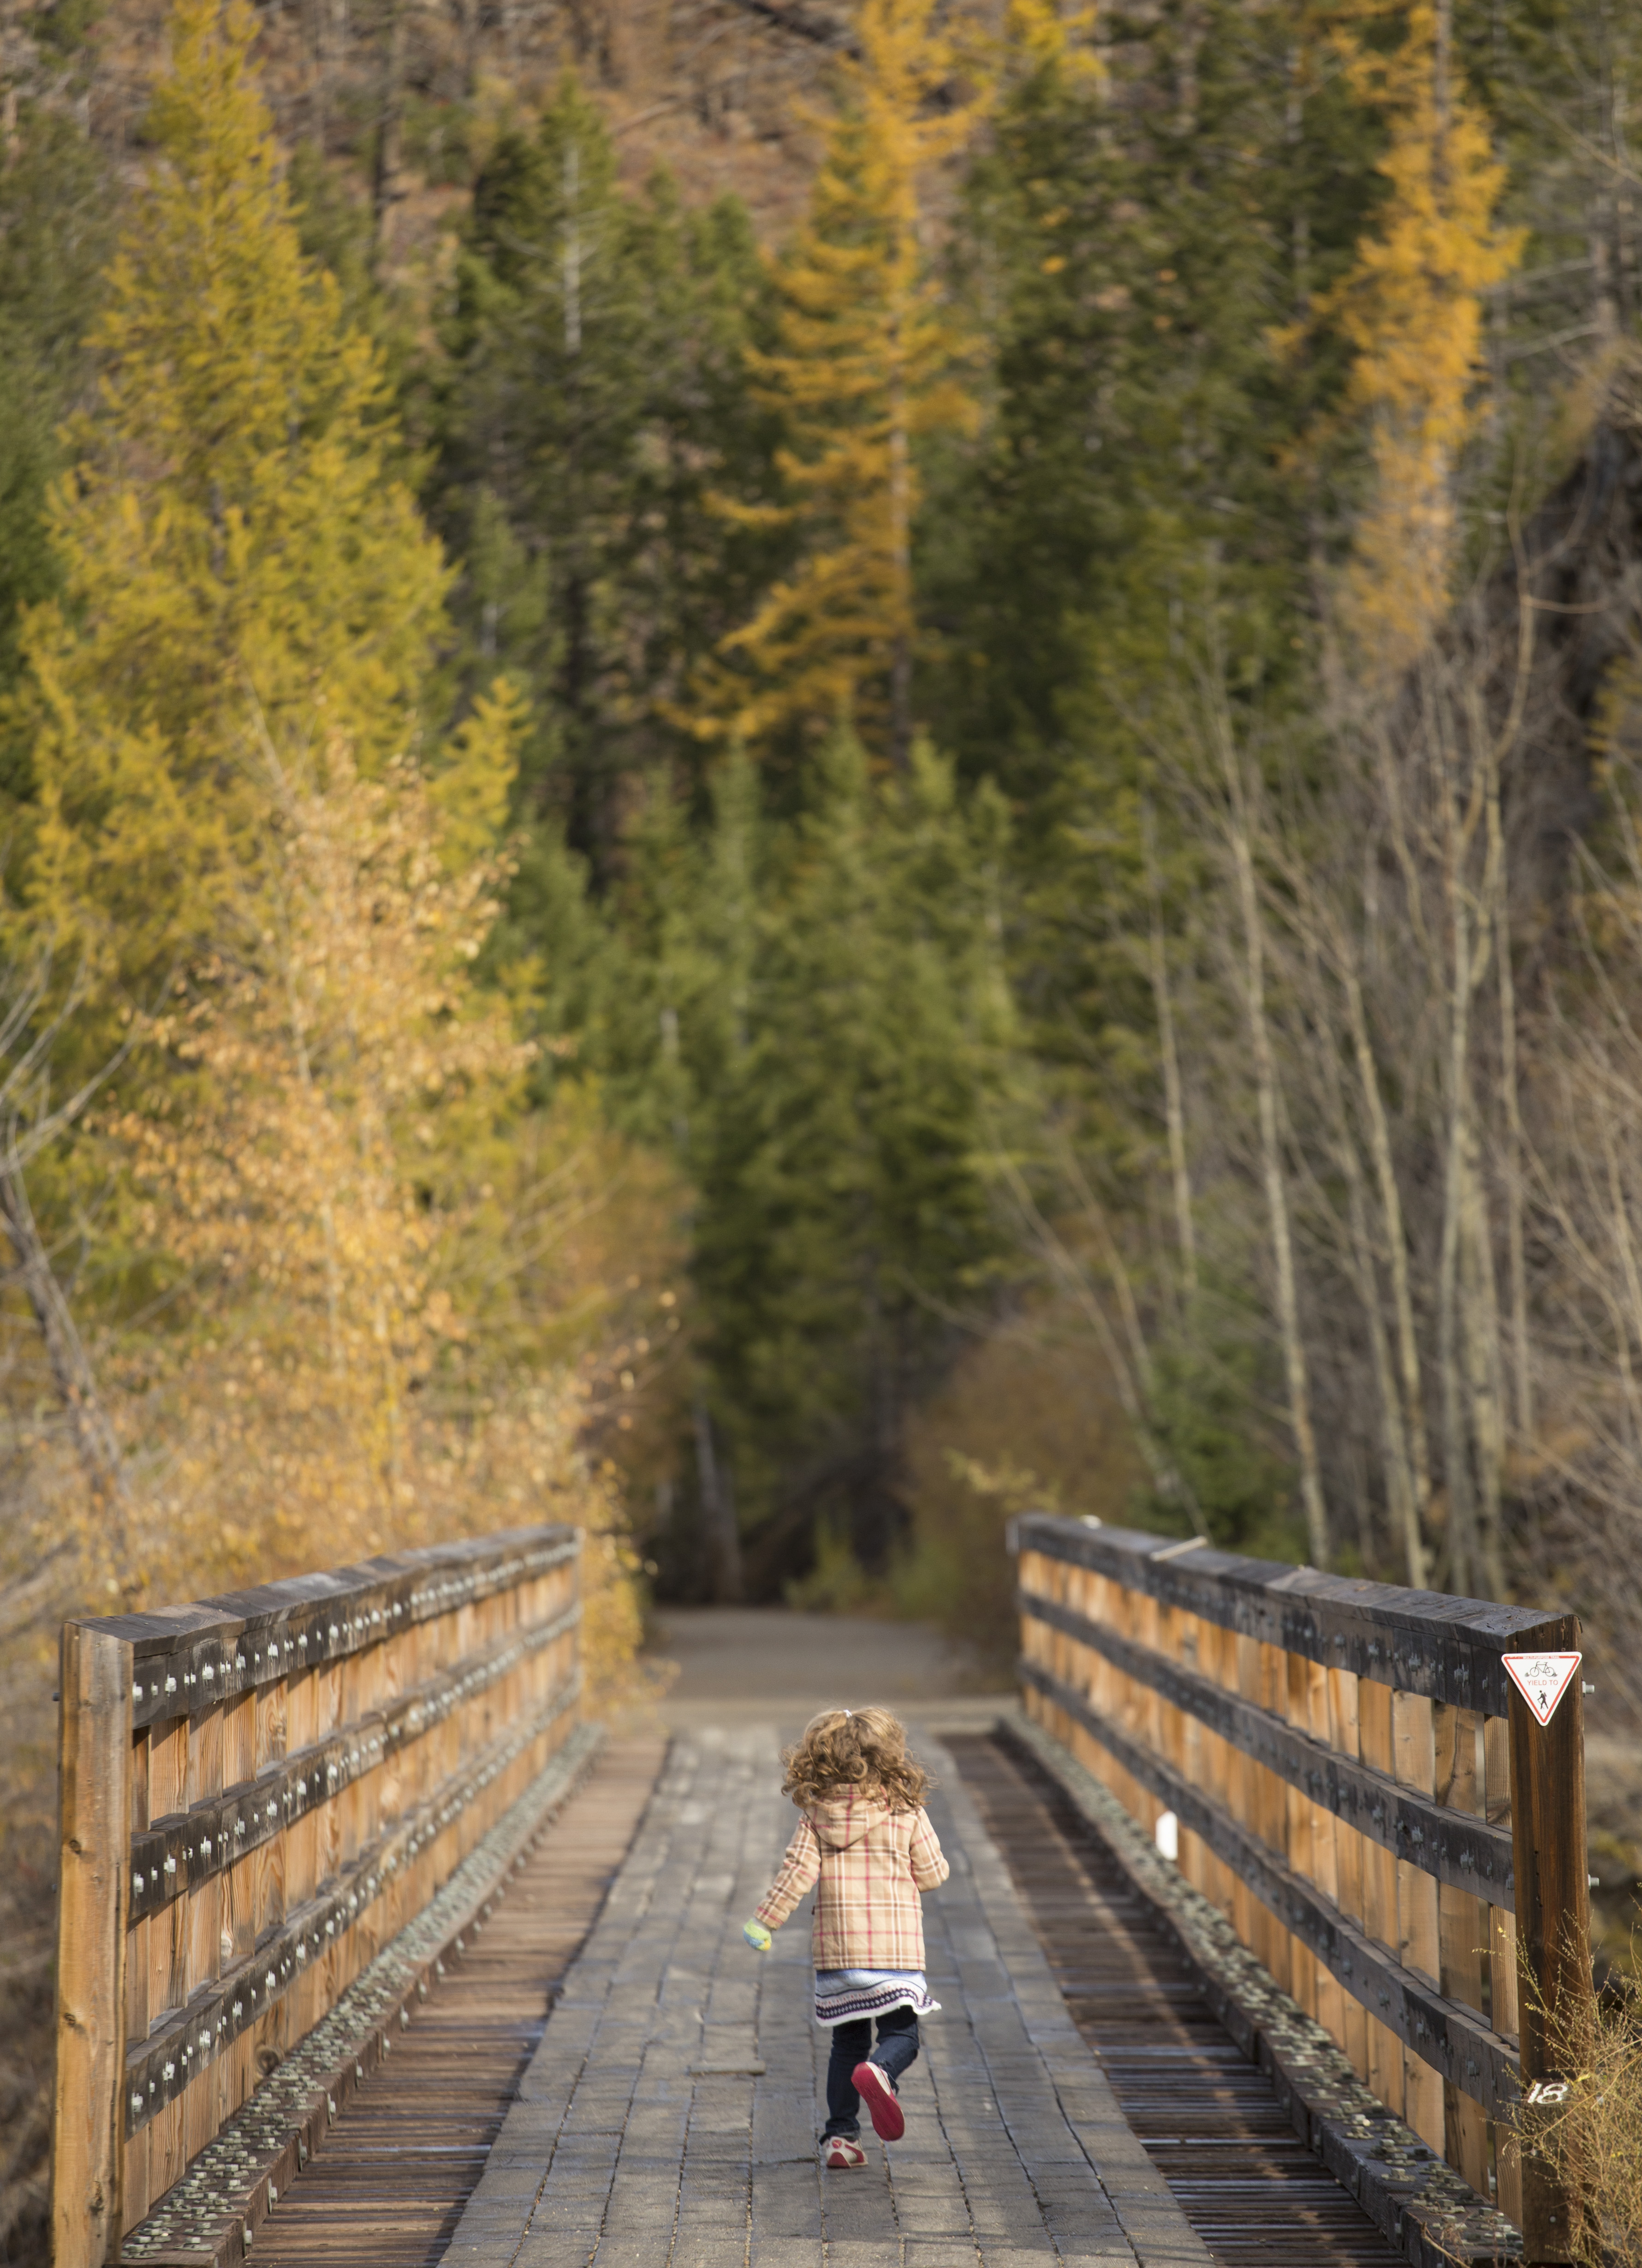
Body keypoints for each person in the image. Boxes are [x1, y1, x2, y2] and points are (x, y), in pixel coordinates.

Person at [743, 1706, 949, 2169]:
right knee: (902, 2034)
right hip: (895, 1953)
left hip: (839, 1954)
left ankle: (840, 2136)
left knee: (846, 2044)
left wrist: (764, 1921)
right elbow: (934, 1874)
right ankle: (882, 2071)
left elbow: (795, 1873)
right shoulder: (905, 1810)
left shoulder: (816, 1815)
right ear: (889, 1757)